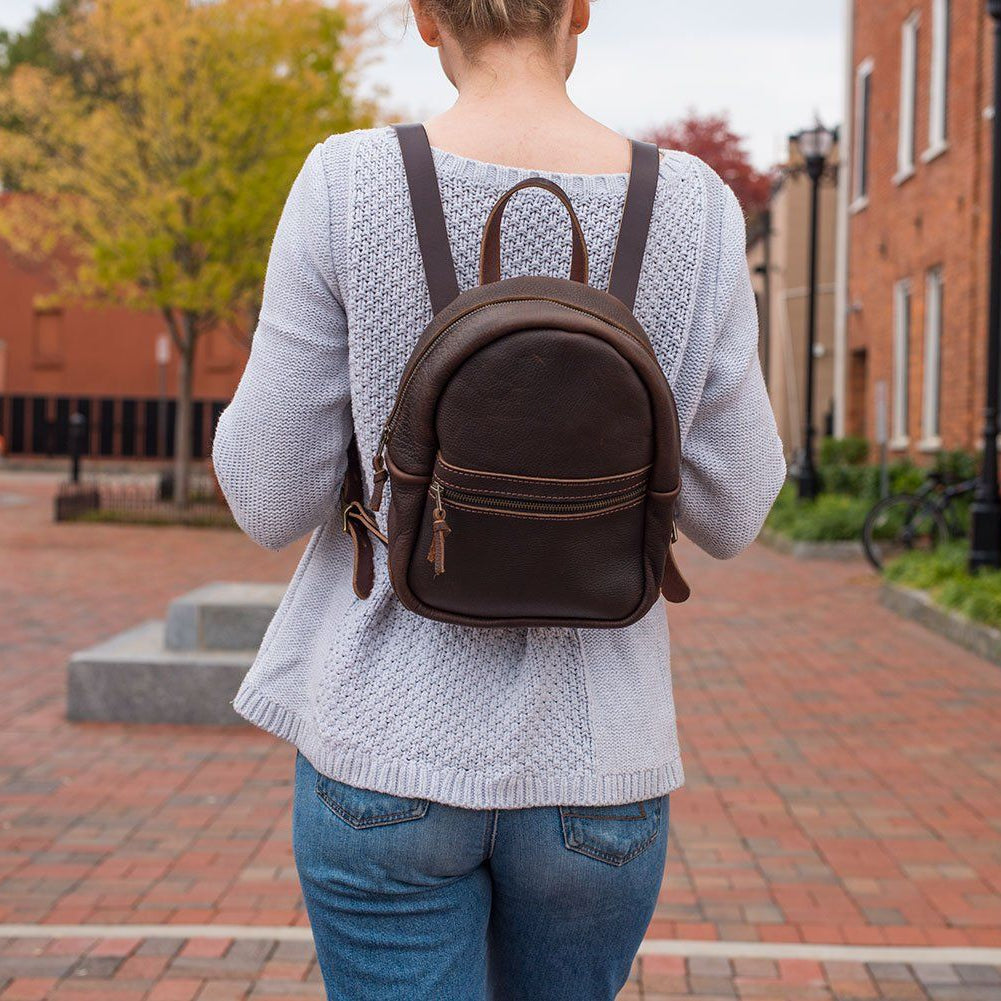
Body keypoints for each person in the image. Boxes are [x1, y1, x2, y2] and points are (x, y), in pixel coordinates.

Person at [211, 1, 786, 997]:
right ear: (578, 11)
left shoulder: (347, 182)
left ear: (426, 18)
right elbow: (732, 507)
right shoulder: (689, 206)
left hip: (386, 743)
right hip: (597, 764)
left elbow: (267, 494)